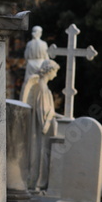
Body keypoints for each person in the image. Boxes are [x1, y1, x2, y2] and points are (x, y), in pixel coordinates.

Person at [20, 58, 60, 190]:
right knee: (42, 155)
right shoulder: (43, 89)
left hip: (41, 127)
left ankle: (37, 184)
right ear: (49, 71)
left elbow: (49, 111)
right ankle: (38, 184)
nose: (56, 75)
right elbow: (43, 113)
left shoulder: (42, 87)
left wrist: (56, 115)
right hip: (42, 131)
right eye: (55, 71)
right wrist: (50, 120)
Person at [23, 26, 50, 90]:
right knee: (40, 85)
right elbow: (46, 57)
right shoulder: (43, 44)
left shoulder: (29, 44)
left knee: (29, 85)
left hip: (30, 65)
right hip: (40, 64)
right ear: (40, 33)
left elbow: (26, 56)